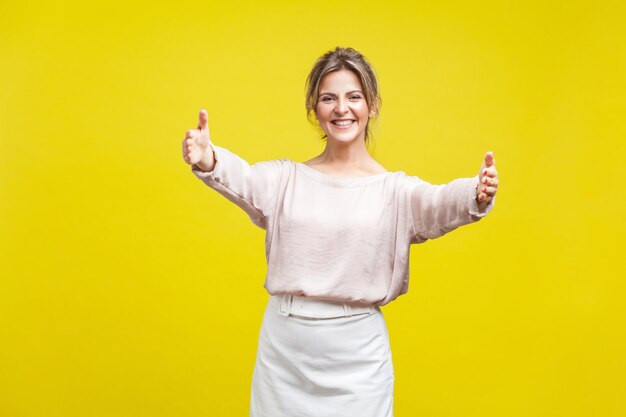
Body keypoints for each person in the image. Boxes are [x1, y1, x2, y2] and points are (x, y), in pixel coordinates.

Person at [181, 47, 498, 417]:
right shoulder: (286, 179)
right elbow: (245, 179)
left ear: (372, 105)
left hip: (358, 356)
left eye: (354, 97)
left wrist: (474, 191)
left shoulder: (394, 191)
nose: (341, 108)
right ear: (314, 109)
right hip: (285, 351)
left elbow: (437, 202)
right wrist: (209, 159)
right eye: (328, 98)